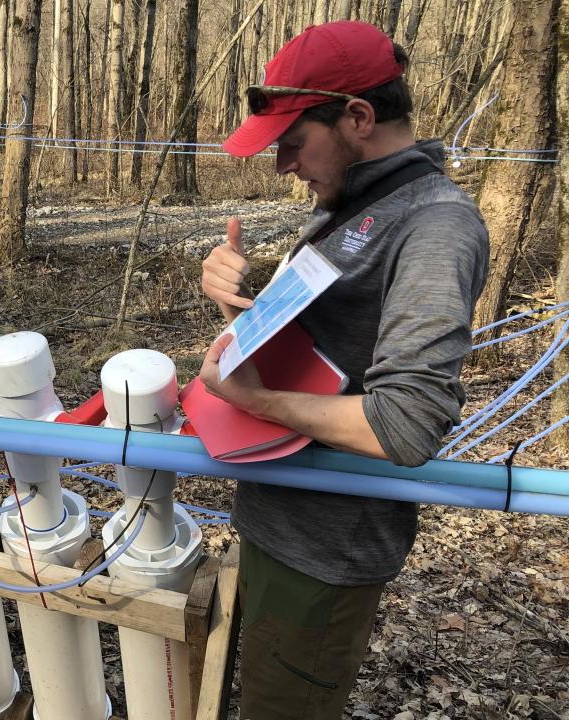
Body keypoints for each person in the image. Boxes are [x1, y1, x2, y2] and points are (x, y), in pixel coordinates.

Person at [196, 22, 489, 719]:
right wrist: (240, 305)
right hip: (276, 515)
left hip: (325, 552)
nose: (283, 166)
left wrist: (257, 400)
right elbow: (326, 343)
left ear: (357, 117)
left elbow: (405, 424)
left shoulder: (436, 227)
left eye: (294, 143)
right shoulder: (356, 205)